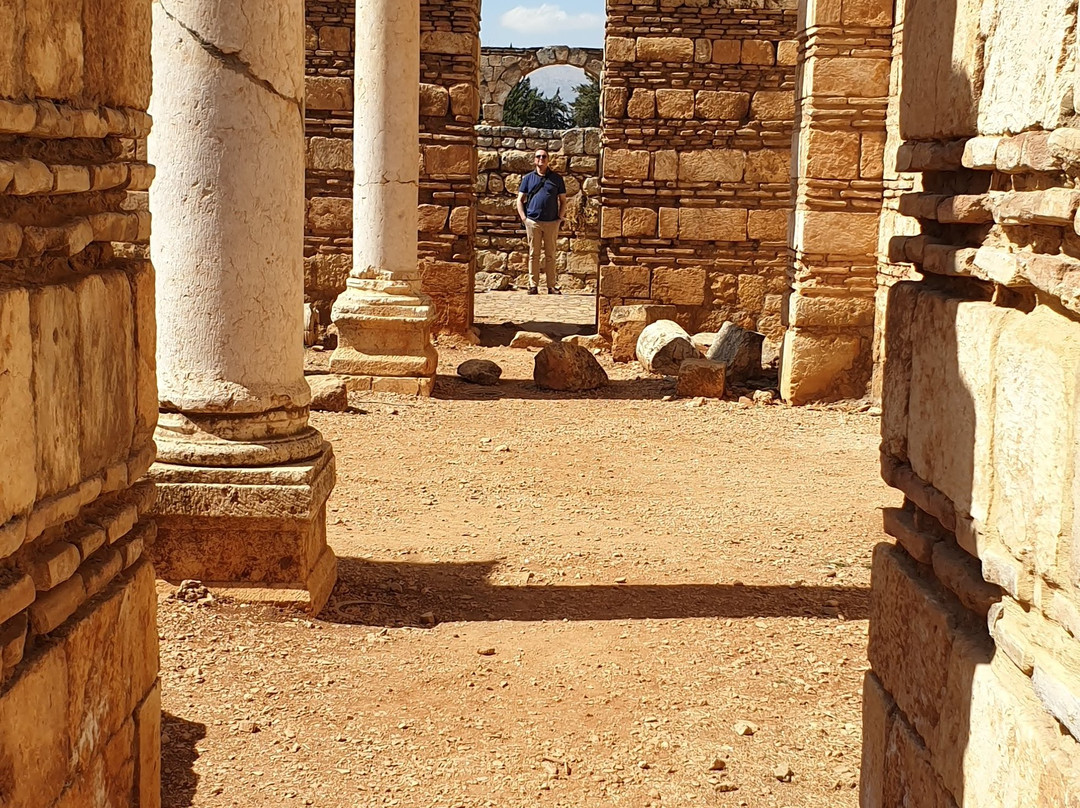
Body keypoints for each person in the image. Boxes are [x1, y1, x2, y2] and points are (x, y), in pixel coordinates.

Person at [516, 149, 567, 295]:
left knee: (550, 254)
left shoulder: (556, 179)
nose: (541, 159)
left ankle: (551, 286)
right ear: (534, 160)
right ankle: (533, 285)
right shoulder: (528, 179)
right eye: (538, 156)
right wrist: (524, 219)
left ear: (548, 160)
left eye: (544, 157)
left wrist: (559, 218)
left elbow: (563, 201)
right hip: (533, 221)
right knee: (534, 254)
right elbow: (519, 200)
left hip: (551, 222)